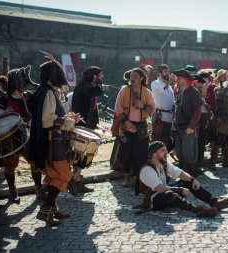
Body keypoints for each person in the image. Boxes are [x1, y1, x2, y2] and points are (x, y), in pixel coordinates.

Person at [28, 52, 81, 225]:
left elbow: (51, 116)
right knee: (64, 175)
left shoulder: (45, 91)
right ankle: (45, 210)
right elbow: (47, 120)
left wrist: (68, 117)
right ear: (53, 75)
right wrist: (68, 120)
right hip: (54, 143)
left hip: (51, 142)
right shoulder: (48, 93)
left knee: (53, 176)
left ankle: (52, 209)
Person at [135, 141, 228, 217]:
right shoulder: (147, 169)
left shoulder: (163, 164)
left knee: (189, 182)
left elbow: (179, 173)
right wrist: (180, 190)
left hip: (164, 193)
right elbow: (159, 188)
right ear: (154, 154)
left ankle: (213, 202)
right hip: (154, 201)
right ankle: (199, 211)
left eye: (165, 150)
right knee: (170, 194)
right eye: (162, 151)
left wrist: (192, 179)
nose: (166, 153)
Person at [0, 73, 46, 203]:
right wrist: (5, 115)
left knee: (35, 162)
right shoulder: (2, 101)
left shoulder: (26, 97)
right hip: (8, 139)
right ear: (16, 84)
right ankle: (12, 191)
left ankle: (39, 189)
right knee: (11, 165)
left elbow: (29, 118)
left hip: (24, 137)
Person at [113, 68, 155, 187]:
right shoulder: (123, 90)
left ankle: (137, 176)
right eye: (131, 76)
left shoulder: (147, 92)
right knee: (126, 152)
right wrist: (126, 121)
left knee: (140, 153)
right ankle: (126, 176)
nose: (132, 78)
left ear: (141, 79)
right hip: (126, 125)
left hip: (141, 126)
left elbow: (152, 109)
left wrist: (143, 105)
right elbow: (118, 108)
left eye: (136, 76)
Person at [69, 66, 105, 196]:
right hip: (79, 125)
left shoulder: (89, 86)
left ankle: (77, 181)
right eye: (100, 75)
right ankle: (72, 182)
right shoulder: (84, 86)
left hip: (87, 125)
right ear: (94, 77)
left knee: (83, 155)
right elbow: (97, 91)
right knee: (77, 155)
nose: (102, 77)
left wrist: (95, 125)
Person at [173, 69, 203, 177]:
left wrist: (192, 126)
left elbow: (198, 110)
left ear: (185, 80)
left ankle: (190, 175)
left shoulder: (193, 92)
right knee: (180, 151)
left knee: (189, 152)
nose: (176, 79)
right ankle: (183, 176)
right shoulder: (180, 91)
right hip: (179, 127)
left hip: (189, 127)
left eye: (179, 78)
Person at [150, 64, 175, 149]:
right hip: (159, 117)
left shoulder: (169, 87)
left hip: (169, 117)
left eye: (168, 71)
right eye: (165, 72)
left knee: (167, 141)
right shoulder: (155, 83)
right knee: (157, 140)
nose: (167, 73)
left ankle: (163, 160)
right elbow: (162, 90)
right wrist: (170, 80)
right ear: (159, 73)